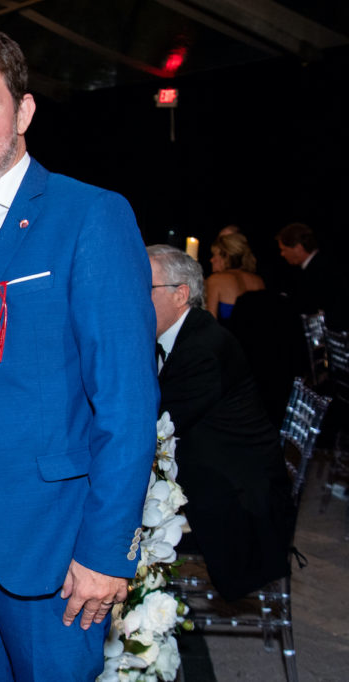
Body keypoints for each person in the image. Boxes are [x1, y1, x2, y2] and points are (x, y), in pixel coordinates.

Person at [0, 26, 159, 680]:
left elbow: (127, 404)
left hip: (53, 537)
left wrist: (106, 551)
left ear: (23, 112)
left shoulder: (90, 216)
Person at [148, 245, 292, 599]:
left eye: (144, 288)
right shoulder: (188, 334)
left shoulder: (202, 349)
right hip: (215, 465)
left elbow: (155, 423)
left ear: (180, 294)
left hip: (237, 497)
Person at [276, 221, 346, 330]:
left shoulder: (318, 270)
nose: (282, 254)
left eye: (284, 250)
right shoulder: (324, 262)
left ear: (298, 248)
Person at [204, 232, 264, 321]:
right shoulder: (259, 281)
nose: (211, 260)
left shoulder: (215, 280)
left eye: (214, 255)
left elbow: (210, 321)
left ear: (226, 256)